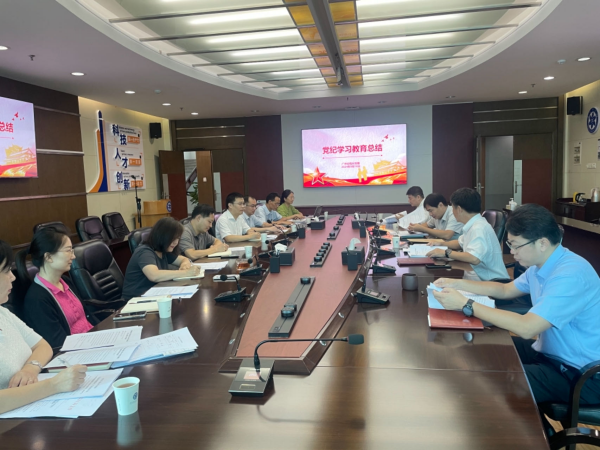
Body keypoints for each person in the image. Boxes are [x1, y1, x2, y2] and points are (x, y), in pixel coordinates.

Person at [432, 204, 600, 406]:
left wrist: (466, 304)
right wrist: (458, 284)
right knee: (480, 347)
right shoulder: (541, 266)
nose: (512, 252)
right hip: (551, 354)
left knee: (494, 381)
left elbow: (528, 328)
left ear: (542, 243)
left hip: (581, 374)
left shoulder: (570, 275)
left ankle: (529, 426)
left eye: (516, 245)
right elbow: (505, 290)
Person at [0, 239, 87, 414]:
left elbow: (42, 345)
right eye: (6, 270)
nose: (13, 277)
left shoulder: (3, 313)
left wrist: (30, 369)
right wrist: (54, 385)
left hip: (35, 405)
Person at [16, 228, 99, 349]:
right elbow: (58, 344)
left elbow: (87, 317)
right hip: (77, 351)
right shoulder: (37, 299)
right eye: (68, 251)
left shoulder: (65, 281)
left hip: (93, 340)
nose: (73, 256)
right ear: (48, 257)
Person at [427, 188, 508, 281]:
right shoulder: (473, 224)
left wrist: (446, 253)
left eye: (452, 208)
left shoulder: (478, 228)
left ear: (459, 209)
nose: (452, 211)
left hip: (491, 282)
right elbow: (460, 243)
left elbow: (474, 258)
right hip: (477, 276)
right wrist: (441, 244)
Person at [122, 217, 200, 300]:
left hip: (153, 294)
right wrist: (185, 272)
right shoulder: (144, 252)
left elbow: (184, 259)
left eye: (178, 238)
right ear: (162, 236)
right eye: (173, 238)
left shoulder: (163, 250)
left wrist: (184, 265)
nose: (176, 242)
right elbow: (154, 275)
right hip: (135, 300)